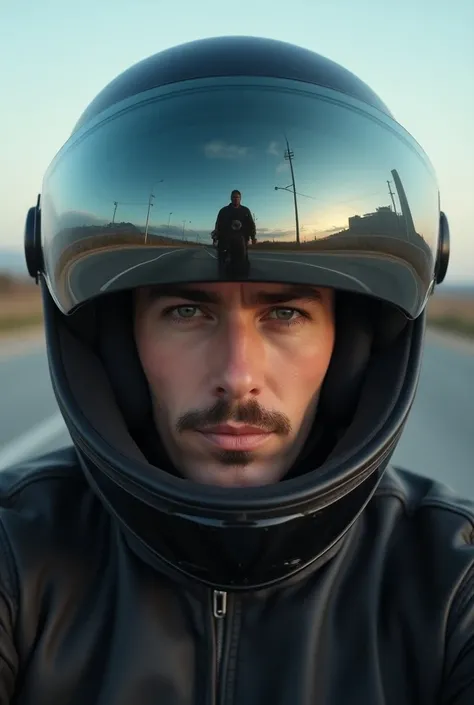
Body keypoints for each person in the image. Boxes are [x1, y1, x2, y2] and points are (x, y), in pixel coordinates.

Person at [3, 35, 471, 704]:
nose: (237, 375)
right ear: (118, 342)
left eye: (284, 315)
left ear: (349, 346)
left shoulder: (450, 578)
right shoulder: (18, 548)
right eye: (187, 312)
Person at [214, 190, 257, 267]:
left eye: (237, 197)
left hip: (241, 240)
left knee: (243, 263)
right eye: (234, 197)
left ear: (240, 198)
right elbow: (218, 225)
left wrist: (253, 237)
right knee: (222, 264)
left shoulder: (245, 210)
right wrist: (215, 239)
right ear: (231, 198)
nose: (235, 199)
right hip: (225, 240)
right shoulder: (223, 211)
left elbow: (251, 224)